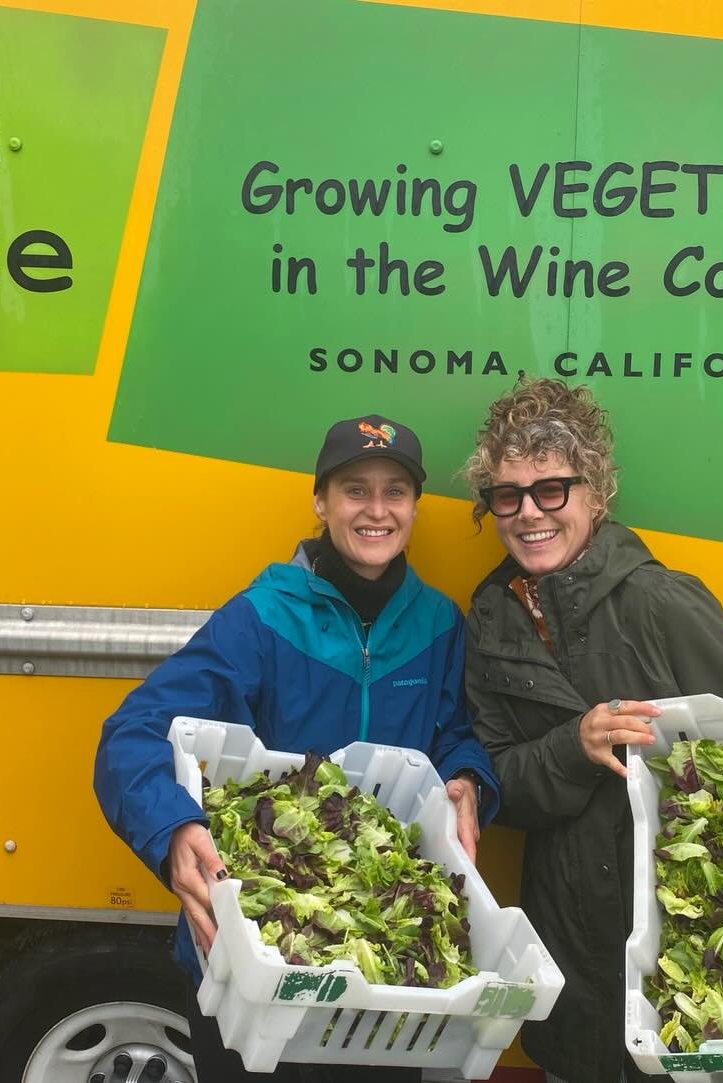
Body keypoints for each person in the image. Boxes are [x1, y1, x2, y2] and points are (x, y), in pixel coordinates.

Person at [94, 414, 501, 1082]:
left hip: (382, 974)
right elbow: (132, 731)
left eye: (394, 491)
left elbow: (453, 730)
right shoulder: (263, 616)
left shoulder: (439, 623)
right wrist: (172, 829)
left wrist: (466, 776)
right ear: (321, 502)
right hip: (253, 964)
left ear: (415, 507)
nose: (376, 510)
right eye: (354, 490)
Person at [461, 378, 723, 1083]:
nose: (529, 512)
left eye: (552, 488)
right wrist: (577, 745)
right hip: (568, 955)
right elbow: (498, 780)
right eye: (508, 494)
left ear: (596, 493)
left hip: (686, 951)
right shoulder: (492, 615)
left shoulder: (664, 602)